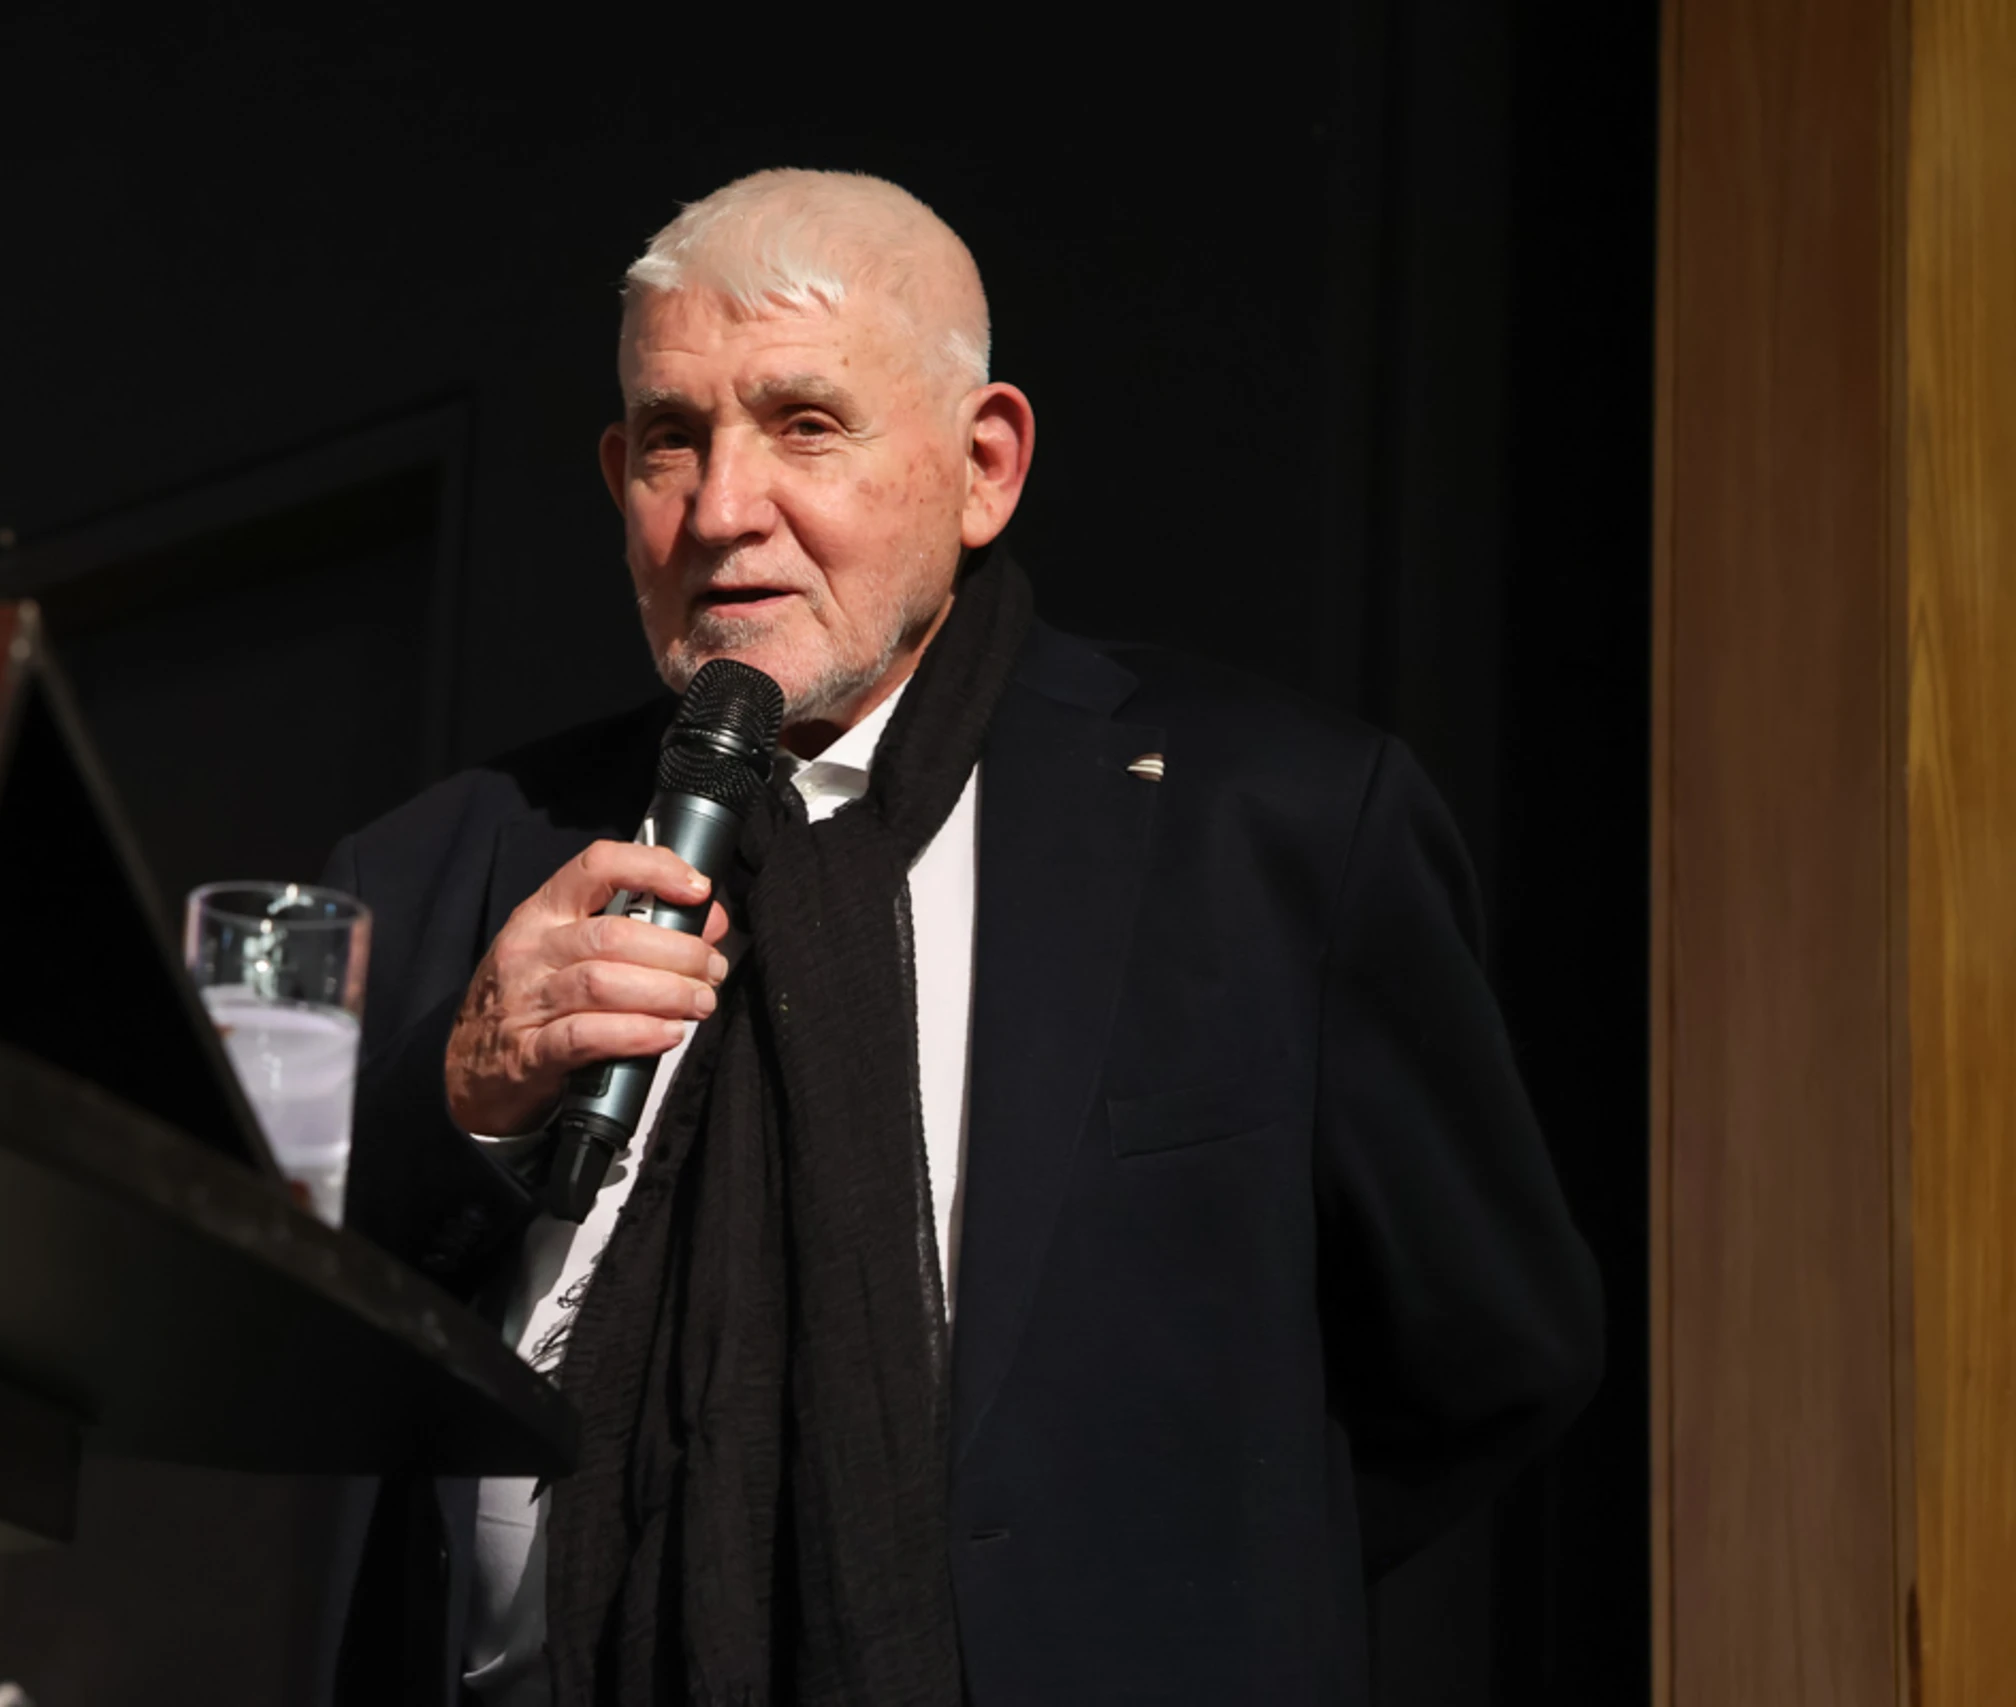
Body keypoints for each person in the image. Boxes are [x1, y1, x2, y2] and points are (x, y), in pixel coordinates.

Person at [320, 168, 1602, 1707]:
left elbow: (1489, 1353)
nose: (722, 508)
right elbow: (259, 1353)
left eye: (806, 424)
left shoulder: (1272, 829)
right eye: (671, 438)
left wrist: (1169, 1623)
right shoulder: (456, 864)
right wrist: (462, 1099)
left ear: (983, 466)